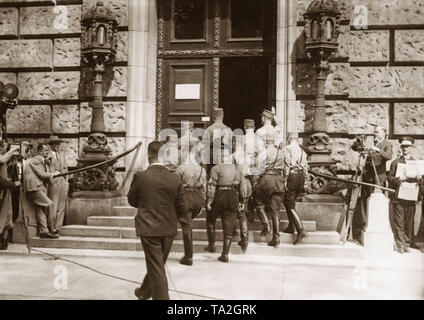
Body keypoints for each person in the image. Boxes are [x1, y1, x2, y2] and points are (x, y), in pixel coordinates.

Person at [128, 141, 184, 300]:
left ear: (148, 156)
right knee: (157, 265)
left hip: (149, 228)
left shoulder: (141, 176)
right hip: (169, 229)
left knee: (156, 267)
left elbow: (132, 201)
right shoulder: (175, 178)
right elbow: (182, 207)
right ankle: (144, 292)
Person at [204, 144, 246, 262]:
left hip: (220, 195)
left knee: (210, 220)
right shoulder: (237, 169)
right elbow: (242, 186)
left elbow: (212, 187)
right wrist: (242, 200)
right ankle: (225, 254)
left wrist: (209, 201)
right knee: (229, 226)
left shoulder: (216, 168)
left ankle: (211, 245)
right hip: (233, 196)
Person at [353, 125, 393, 245]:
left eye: (377, 132)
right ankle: (365, 225)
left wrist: (376, 150)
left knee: (376, 203)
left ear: (384, 133)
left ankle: (375, 227)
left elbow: (388, 156)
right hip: (367, 178)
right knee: (365, 201)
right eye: (374, 132)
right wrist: (356, 142)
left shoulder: (387, 144)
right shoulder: (373, 143)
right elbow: (357, 149)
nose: (375, 134)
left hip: (377, 178)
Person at [387, 137, 423, 254]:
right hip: (399, 197)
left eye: (407, 146)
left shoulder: (416, 163)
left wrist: (419, 178)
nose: (405, 149)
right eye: (403, 146)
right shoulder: (396, 162)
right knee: (399, 222)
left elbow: (421, 181)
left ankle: (407, 243)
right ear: (401, 147)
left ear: (411, 147)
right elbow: (389, 178)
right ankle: (400, 244)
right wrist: (399, 179)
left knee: (409, 222)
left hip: (411, 196)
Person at [174, 139, 206, 266]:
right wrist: (202, 203)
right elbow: (203, 187)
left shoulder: (180, 168)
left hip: (185, 198)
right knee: (188, 225)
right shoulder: (201, 169)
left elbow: (175, 187)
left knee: (186, 227)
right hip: (197, 198)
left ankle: (188, 256)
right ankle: (189, 254)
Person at [254, 133, 286, 247]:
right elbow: (287, 168)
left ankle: (266, 225)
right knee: (275, 210)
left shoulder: (264, 153)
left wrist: (255, 182)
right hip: (279, 180)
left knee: (258, 201)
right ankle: (276, 238)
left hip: (267, 179)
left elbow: (258, 170)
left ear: (266, 142)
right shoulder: (282, 153)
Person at [23, 143, 57, 238]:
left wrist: (49, 165)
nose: (47, 153)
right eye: (45, 151)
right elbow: (42, 174)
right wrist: (54, 173)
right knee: (49, 205)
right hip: (34, 187)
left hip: (36, 187)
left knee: (40, 209)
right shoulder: (37, 159)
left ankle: (44, 231)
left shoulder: (42, 161)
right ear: (39, 151)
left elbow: (44, 174)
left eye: (48, 151)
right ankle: (51, 228)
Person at [282, 132, 309, 245]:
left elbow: (287, 164)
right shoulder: (302, 151)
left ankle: (301, 230)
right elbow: (306, 167)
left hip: (292, 176)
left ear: (289, 139)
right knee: (292, 201)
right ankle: (290, 226)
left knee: (288, 202)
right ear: (296, 139)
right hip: (301, 177)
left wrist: (284, 180)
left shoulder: (287, 149)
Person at [0, 141, 21, 250]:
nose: (4, 150)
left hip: (5, 192)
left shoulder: (4, 161)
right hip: (2, 193)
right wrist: (12, 184)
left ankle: (4, 241)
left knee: (7, 216)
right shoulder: (2, 159)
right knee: (2, 216)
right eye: (4, 148)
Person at [46, 136, 69, 237]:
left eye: (59, 143)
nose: (58, 146)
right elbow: (48, 170)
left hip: (63, 181)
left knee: (61, 205)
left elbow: (66, 168)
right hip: (54, 182)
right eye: (56, 143)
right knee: (53, 205)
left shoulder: (62, 155)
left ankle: (58, 227)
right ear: (51, 145)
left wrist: (66, 179)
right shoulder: (48, 155)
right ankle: (51, 227)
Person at [206, 108, 232, 174]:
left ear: (213, 116)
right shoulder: (228, 129)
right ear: (223, 116)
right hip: (225, 158)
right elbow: (231, 146)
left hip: (212, 157)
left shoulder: (209, 129)